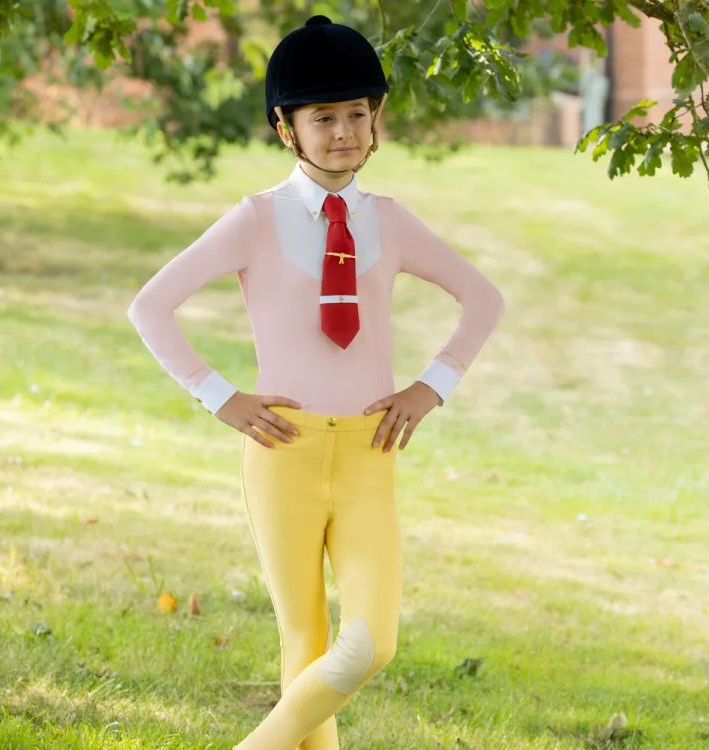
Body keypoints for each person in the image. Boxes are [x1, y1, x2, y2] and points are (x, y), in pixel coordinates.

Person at [126, 14, 506, 750]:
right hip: (283, 452)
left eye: (357, 114)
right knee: (305, 644)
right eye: (323, 117)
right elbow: (150, 306)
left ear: (376, 119)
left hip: (369, 452)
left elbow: (484, 299)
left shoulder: (390, 222)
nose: (343, 132)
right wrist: (219, 396)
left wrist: (430, 386)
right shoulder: (256, 220)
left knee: (370, 644)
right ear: (286, 129)